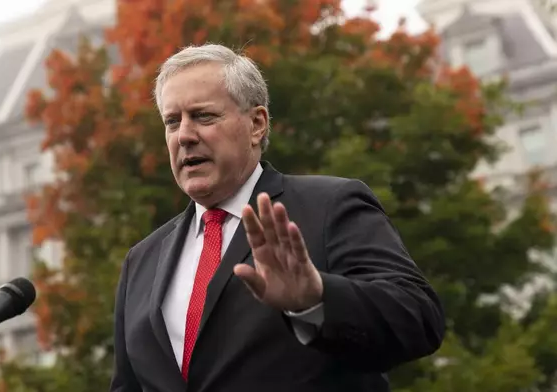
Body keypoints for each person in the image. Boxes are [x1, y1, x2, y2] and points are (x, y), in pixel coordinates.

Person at [110, 44, 445, 392]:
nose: (185, 135)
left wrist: (315, 300)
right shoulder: (141, 260)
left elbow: (418, 317)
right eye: (172, 121)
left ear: (256, 124)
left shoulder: (330, 206)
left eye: (204, 116)